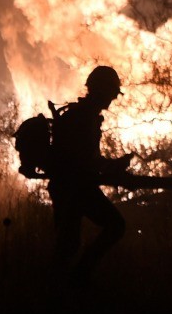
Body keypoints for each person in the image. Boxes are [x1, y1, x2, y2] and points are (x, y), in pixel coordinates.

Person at [47, 65, 132, 284]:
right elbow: (83, 160)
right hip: (74, 188)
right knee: (113, 226)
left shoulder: (85, 115)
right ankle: (74, 281)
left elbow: (86, 159)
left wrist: (110, 166)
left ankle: (64, 286)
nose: (114, 97)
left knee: (68, 244)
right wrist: (111, 167)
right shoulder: (83, 118)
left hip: (72, 186)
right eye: (112, 92)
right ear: (101, 89)